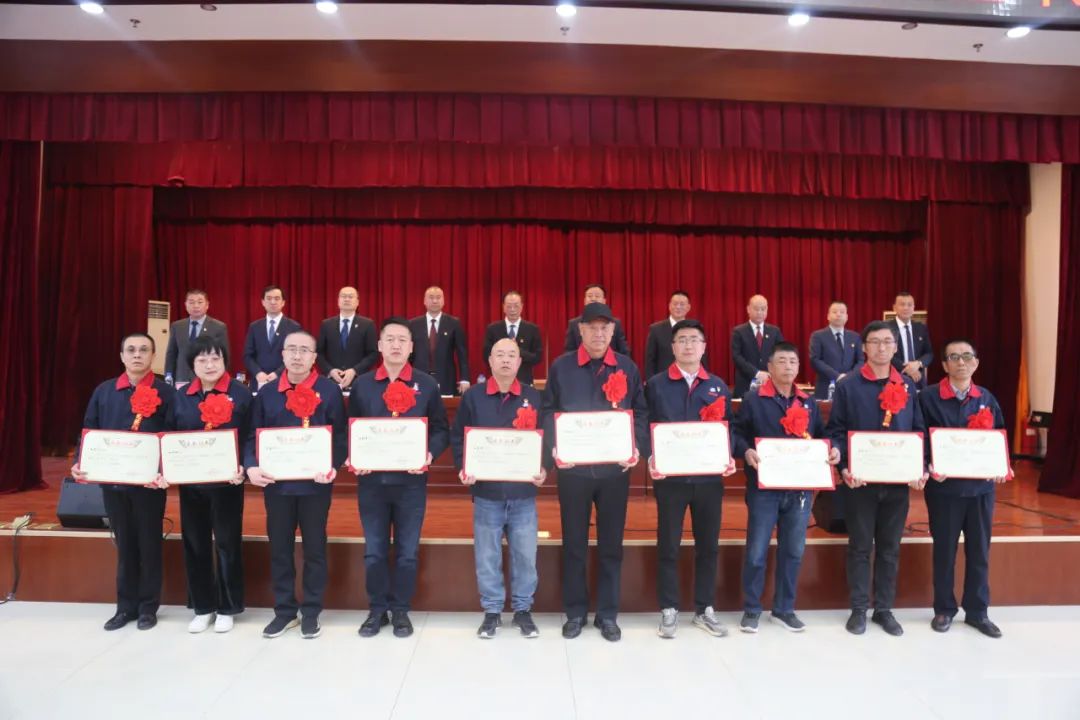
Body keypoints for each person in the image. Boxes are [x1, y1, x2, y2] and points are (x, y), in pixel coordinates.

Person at [542, 302, 648, 642]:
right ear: (581, 331)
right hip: (573, 472)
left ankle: (607, 614)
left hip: (614, 473)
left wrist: (636, 447)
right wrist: (555, 447)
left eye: (605, 328)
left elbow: (641, 413)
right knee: (574, 543)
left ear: (613, 331)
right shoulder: (562, 367)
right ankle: (575, 613)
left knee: (611, 545)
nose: (599, 333)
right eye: (592, 327)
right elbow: (548, 411)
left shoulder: (627, 367)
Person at [349, 317, 450, 638]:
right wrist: (353, 456)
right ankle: (377, 609)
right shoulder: (363, 384)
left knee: (407, 552)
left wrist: (429, 454)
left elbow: (440, 429)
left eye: (402, 340)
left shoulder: (426, 384)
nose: (395, 345)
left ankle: (401, 610)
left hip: (411, 484)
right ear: (379, 345)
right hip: (372, 484)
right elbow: (350, 428)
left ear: (411, 347)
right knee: (374, 551)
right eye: (389, 339)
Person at [826, 321, 928, 637]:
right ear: (864, 347)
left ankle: (884, 609)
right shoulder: (848, 385)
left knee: (889, 547)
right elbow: (836, 431)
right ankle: (858, 609)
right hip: (860, 483)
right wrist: (843, 467)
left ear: (896, 347)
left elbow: (918, 430)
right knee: (859, 546)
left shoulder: (908, 386)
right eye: (875, 342)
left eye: (887, 341)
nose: (882, 347)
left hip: (897, 483)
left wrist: (920, 467)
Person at [245, 331, 347, 640]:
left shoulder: (329, 391)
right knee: (280, 549)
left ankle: (311, 611)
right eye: (292, 349)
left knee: (315, 549)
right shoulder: (267, 392)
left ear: (315, 357)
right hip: (277, 485)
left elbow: (340, 436)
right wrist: (251, 465)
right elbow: (252, 436)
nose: (297, 355)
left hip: (315, 486)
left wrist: (332, 465)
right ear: (283, 355)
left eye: (305, 350)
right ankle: (285, 611)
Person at [71, 332, 175, 631]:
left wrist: (164, 470)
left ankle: (148, 608)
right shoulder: (104, 391)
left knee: (149, 545)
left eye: (143, 350)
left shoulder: (166, 393)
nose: (137, 355)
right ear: (122, 356)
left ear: (153, 355)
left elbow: (173, 435)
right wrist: (80, 461)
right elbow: (89, 430)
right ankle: (125, 607)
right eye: (131, 350)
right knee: (125, 544)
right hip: (114, 483)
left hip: (149, 485)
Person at [736, 342, 840, 633]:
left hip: (800, 490)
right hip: (764, 489)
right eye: (781, 361)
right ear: (769, 367)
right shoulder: (754, 399)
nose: (788, 367)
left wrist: (832, 449)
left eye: (793, 362)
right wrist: (745, 450)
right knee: (756, 551)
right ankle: (752, 609)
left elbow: (822, 436)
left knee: (793, 550)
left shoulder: (808, 402)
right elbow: (737, 433)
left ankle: (784, 609)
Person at [645, 319, 734, 639]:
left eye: (694, 339)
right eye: (681, 339)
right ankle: (669, 608)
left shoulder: (717, 386)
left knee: (708, 545)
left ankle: (704, 608)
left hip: (709, 481)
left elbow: (729, 429)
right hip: (671, 480)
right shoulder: (656, 384)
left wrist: (727, 456)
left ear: (704, 347)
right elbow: (645, 424)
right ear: (672, 347)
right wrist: (651, 456)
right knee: (668, 544)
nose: (688, 345)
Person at [451, 339, 545, 639]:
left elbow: (546, 438)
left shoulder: (533, 396)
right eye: (500, 355)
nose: (505, 360)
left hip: (523, 494)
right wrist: (463, 467)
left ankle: (522, 611)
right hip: (486, 494)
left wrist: (544, 468)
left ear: (519, 362)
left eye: (511, 355)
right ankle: (491, 612)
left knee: (525, 556)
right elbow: (459, 437)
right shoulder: (473, 397)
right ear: (490, 361)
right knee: (487, 557)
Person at [919, 339, 1010, 638]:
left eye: (967, 356)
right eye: (954, 357)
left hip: (981, 490)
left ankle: (977, 611)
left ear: (976, 363)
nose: (961, 362)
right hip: (944, 489)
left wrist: (1002, 466)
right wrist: (929, 464)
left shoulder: (986, 397)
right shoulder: (928, 397)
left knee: (979, 551)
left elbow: (999, 437)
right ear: (944, 365)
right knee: (944, 551)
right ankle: (944, 609)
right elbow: (920, 437)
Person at [169, 335, 251, 634]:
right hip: (191, 485)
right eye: (202, 359)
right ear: (192, 364)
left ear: (225, 361)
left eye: (215, 358)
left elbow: (250, 435)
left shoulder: (241, 394)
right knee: (195, 544)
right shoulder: (181, 396)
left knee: (228, 544)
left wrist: (244, 466)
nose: (209, 365)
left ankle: (228, 607)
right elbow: (170, 435)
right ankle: (203, 607)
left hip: (227, 483)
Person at [409, 286, 471, 395]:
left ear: (443, 301)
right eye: (431, 297)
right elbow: (408, 354)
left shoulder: (453, 323)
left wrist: (465, 379)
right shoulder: (413, 324)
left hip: (446, 379)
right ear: (424, 301)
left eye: (438, 297)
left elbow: (462, 354)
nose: (435, 301)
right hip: (418, 378)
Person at [315, 286, 378, 390]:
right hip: (332, 381)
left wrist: (354, 370)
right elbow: (319, 352)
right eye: (343, 296)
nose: (347, 299)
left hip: (359, 381)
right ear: (338, 301)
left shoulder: (367, 324)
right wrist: (330, 371)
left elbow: (373, 354)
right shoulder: (326, 324)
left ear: (357, 302)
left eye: (350, 296)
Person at [164, 288, 229, 386]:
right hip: (182, 378)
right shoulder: (177, 326)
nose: (196, 306)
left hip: (207, 379)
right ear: (186, 305)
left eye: (200, 302)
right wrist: (168, 376)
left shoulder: (218, 327)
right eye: (191, 302)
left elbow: (224, 356)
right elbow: (171, 354)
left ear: (207, 305)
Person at [242, 285, 302, 389]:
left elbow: (296, 356)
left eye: (277, 298)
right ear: (263, 302)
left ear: (283, 302)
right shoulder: (255, 327)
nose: (273, 302)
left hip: (285, 381)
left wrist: (277, 373)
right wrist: (258, 373)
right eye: (269, 298)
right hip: (259, 381)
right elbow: (247, 355)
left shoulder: (294, 327)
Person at [482, 290, 543, 385]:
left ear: (522, 307)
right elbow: (486, 356)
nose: (512, 309)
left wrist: (517, 350)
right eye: (509, 306)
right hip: (498, 382)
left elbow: (537, 357)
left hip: (524, 382)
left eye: (516, 306)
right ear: (503, 307)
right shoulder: (493, 329)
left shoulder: (532, 329)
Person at [644, 290, 709, 379]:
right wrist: (650, 382)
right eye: (675, 304)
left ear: (688, 307)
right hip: (664, 380)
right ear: (669, 306)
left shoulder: (695, 329)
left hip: (690, 379)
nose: (678, 307)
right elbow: (650, 360)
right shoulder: (656, 329)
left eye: (682, 304)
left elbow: (702, 357)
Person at [730, 294, 784, 398]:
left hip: (770, 382)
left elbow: (781, 354)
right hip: (746, 383)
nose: (759, 312)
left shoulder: (774, 331)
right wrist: (757, 373)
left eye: (763, 309)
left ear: (767, 310)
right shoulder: (738, 331)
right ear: (748, 309)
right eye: (756, 309)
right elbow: (737, 357)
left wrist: (771, 372)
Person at [809, 301, 861, 399]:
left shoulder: (855, 337)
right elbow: (815, 360)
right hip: (826, 385)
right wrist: (837, 376)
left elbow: (860, 360)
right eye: (835, 312)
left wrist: (849, 376)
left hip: (851, 385)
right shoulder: (817, 336)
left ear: (847, 317)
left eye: (842, 312)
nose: (838, 314)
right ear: (828, 316)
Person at [563, 284, 631, 357]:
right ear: (584, 300)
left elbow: (624, 351)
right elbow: (569, 352)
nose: (593, 299)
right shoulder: (574, 324)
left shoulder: (615, 323)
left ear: (604, 301)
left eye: (597, 296)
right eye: (589, 296)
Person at [889, 291, 933, 390]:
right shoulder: (886, 328)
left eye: (909, 305)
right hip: (895, 377)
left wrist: (918, 363)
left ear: (913, 308)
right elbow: (886, 354)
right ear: (894, 308)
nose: (906, 308)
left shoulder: (921, 328)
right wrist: (907, 368)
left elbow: (929, 353)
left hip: (918, 378)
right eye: (902, 304)